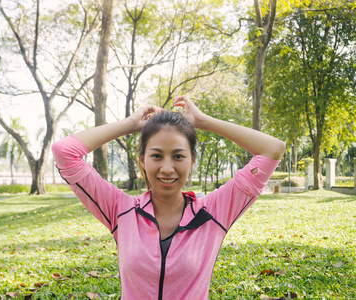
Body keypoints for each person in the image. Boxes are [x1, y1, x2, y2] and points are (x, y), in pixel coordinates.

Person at [52, 95, 286, 300]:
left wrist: (204, 122)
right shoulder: (120, 209)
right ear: (142, 160)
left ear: (191, 161)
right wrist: (130, 124)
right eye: (156, 156)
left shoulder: (213, 213)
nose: (167, 168)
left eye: (178, 156)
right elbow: (65, 152)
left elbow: (273, 149)